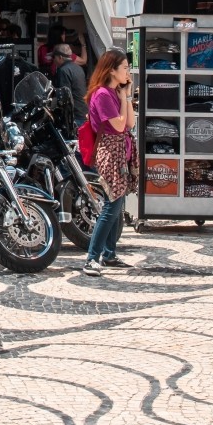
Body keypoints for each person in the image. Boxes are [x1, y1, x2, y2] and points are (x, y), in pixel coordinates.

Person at [80, 49, 136, 275]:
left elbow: (130, 123)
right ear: (112, 70)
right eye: (124, 68)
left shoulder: (114, 92)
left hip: (120, 152)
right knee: (112, 205)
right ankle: (92, 257)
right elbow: (119, 126)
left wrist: (127, 97)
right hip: (109, 153)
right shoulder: (102, 94)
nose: (127, 72)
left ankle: (109, 254)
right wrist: (124, 99)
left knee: (118, 205)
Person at [50, 43, 88, 129]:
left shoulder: (63, 70)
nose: (53, 60)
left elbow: (64, 96)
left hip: (74, 115)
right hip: (83, 111)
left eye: (54, 57)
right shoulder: (78, 68)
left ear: (60, 57)